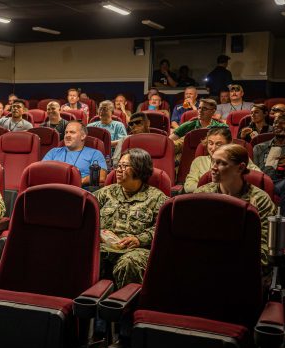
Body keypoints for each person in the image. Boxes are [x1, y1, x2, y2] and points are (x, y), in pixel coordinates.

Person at [95, 148, 166, 288]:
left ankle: (125, 300)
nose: (118, 170)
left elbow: (163, 229)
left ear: (139, 169)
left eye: (124, 166)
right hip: (104, 246)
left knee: (129, 263)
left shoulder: (157, 198)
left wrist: (140, 239)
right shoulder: (106, 193)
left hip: (135, 250)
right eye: (118, 166)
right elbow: (86, 214)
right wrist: (98, 233)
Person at [195, 144, 276, 266]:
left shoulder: (260, 200)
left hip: (243, 265)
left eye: (222, 163)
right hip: (205, 261)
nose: (213, 167)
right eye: (213, 161)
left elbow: (264, 249)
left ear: (240, 168)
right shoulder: (202, 194)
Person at [182, 127, 260, 194]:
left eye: (218, 144)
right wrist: (212, 187)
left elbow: (259, 178)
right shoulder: (199, 161)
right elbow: (188, 187)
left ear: (229, 144)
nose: (213, 148)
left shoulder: (238, 159)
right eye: (210, 143)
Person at [42, 121, 108, 187]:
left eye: (72, 132)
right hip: (53, 187)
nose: (67, 135)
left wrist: (78, 181)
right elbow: (41, 171)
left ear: (83, 136)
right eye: (66, 132)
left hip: (79, 190)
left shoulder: (95, 154)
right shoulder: (53, 152)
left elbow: (101, 177)